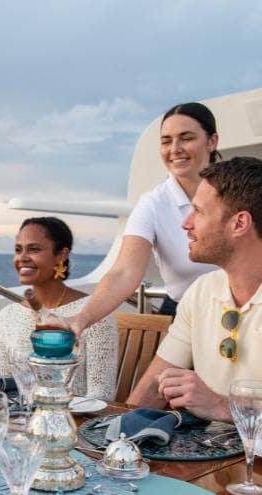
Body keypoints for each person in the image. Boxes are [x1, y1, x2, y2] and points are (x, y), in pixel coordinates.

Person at [129, 157, 262, 445]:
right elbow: (154, 387)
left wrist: (222, 405)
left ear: (239, 223)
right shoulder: (201, 291)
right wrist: (117, 439)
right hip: (208, 460)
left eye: (197, 211)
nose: (186, 224)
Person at [66, 102, 220, 335]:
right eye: (166, 141)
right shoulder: (153, 203)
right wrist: (80, 319)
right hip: (185, 317)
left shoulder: (238, 191)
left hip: (245, 313)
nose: (175, 149)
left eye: (186, 138)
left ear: (212, 141)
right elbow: (124, 272)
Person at [0, 217, 118, 401]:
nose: (22, 258)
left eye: (34, 249)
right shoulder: (7, 316)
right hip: (21, 419)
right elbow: (1, 384)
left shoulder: (93, 316)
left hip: (74, 421)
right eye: (18, 250)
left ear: (62, 254)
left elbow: (101, 395)